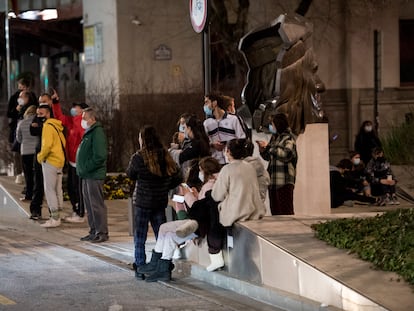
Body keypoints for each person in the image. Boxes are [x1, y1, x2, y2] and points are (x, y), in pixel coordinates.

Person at [136, 156, 221, 282]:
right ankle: (158, 264)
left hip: (198, 224)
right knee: (164, 229)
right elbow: (202, 206)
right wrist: (195, 196)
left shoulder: (210, 186)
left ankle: (162, 267)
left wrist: (187, 194)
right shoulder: (210, 184)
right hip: (197, 222)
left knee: (169, 234)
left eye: (201, 170)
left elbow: (199, 210)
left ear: (206, 170)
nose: (200, 173)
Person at [126, 125, 182, 278]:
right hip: (159, 202)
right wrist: (165, 187)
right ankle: (163, 265)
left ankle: (140, 266)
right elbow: (177, 176)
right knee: (162, 236)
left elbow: (130, 174)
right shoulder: (166, 156)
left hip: (143, 203)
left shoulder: (139, 157)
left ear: (142, 139)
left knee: (140, 237)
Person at [210, 139, 266, 271]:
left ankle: (214, 253)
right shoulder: (250, 167)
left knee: (211, 213)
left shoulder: (227, 169)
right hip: (254, 210)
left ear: (228, 151)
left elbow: (217, 195)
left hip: (235, 213)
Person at [52, 98, 88, 223]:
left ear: (82, 110)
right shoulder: (72, 121)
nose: (74, 109)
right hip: (72, 161)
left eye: (76, 107)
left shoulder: (83, 123)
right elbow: (60, 117)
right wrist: (56, 103)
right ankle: (76, 209)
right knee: (72, 187)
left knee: (78, 189)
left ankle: (81, 213)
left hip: (79, 162)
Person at [77, 107, 109, 242]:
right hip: (87, 175)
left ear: (92, 119)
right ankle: (93, 230)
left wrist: (86, 168)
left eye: (84, 118)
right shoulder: (89, 132)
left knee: (96, 205)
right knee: (89, 206)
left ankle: (101, 232)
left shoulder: (97, 133)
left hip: (93, 175)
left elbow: (100, 156)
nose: (82, 121)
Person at [257, 113, 298, 215]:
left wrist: (270, 147)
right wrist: (263, 150)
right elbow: (269, 157)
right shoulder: (275, 138)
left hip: (284, 180)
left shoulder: (289, 138)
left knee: (285, 211)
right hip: (273, 181)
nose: (271, 126)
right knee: (275, 211)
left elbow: (286, 154)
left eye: (272, 124)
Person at [36, 104, 66, 228]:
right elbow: (63, 142)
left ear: (48, 113)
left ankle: (54, 218)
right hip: (60, 161)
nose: (39, 116)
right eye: (37, 114)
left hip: (51, 161)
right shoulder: (56, 125)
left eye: (41, 114)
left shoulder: (47, 126)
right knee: (58, 189)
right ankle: (60, 214)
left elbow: (46, 146)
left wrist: (40, 157)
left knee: (50, 190)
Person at [203, 93, 246, 165]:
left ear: (215, 103)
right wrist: (212, 144)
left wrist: (227, 144)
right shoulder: (207, 123)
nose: (205, 106)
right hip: (215, 163)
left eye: (207, 102)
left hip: (231, 162)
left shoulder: (234, 119)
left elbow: (242, 138)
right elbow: (204, 143)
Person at [16, 105, 39, 202]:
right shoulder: (38, 123)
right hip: (36, 150)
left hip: (25, 151)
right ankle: (37, 195)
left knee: (28, 174)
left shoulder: (21, 123)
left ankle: (28, 195)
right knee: (37, 174)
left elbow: (18, 138)